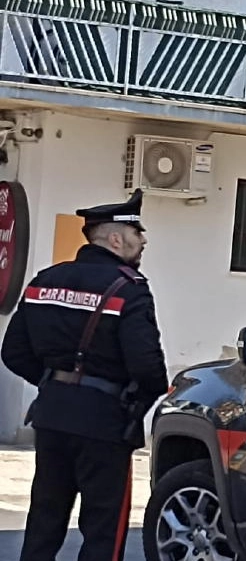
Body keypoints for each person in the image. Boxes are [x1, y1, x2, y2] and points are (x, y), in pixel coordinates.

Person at [1, 189, 168, 561]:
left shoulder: (45, 280)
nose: (143, 242)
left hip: (52, 416)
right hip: (106, 423)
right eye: (138, 233)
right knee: (103, 528)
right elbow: (148, 367)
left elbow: (13, 352)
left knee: (45, 520)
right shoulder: (130, 290)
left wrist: (55, 383)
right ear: (115, 238)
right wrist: (134, 404)